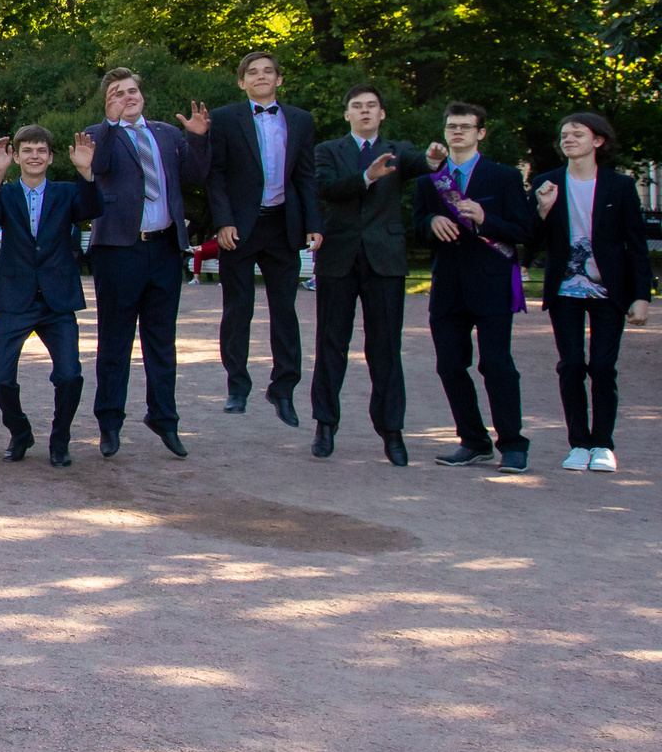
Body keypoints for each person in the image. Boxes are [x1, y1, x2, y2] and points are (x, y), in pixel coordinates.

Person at [84, 68, 212, 458]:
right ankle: (109, 422)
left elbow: (196, 173)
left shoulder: (168, 134)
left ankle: (164, 418)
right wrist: (110, 122)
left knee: (161, 341)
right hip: (119, 250)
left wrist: (198, 137)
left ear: (143, 95)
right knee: (115, 342)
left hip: (165, 251)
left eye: (133, 90)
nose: (128, 96)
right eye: (118, 93)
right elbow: (99, 168)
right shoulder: (96, 133)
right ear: (108, 101)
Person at [309, 85, 425, 467]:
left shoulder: (399, 149)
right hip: (339, 258)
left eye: (371, 106)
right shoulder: (328, 150)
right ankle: (325, 425)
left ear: (382, 113)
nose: (364, 112)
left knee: (386, 349)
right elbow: (325, 189)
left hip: (384, 260)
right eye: (357, 107)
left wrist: (437, 158)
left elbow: (423, 164)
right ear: (347, 115)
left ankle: (392, 432)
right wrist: (366, 178)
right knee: (331, 344)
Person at [414, 102, 533, 471]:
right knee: (449, 365)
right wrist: (431, 221)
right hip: (448, 285)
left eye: (466, 127)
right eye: (452, 127)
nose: (458, 133)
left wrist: (485, 219)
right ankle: (473, 440)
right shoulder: (429, 180)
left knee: (497, 364)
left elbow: (524, 232)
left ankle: (512, 444)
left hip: (492, 283)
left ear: (481, 132)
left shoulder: (504, 177)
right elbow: (415, 228)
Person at [529, 111, 651, 473]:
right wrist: (543, 208)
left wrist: (642, 296)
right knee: (570, 367)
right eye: (564, 134)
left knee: (602, 367)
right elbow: (529, 241)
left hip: (609, 292)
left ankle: (603, 445)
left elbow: (637, 245)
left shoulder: (620, 186)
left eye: (577, 134)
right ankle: (578, 444)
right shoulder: (546, 182)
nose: (568, 139)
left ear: (598, 141)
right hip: (564, 290)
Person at [0, 126, 104, 465]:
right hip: (14, 296)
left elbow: (92, 209)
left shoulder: (67, 193)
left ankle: (60, 440)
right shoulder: (5, 194)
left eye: (41, 150)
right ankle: (20, 433)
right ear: (16, 156)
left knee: (69, 375)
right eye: (27, 150)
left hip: (57, 299)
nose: (34, 155)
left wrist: (86, 172)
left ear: (50, 157)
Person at [206, 50, 324, 423]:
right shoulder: (224, 119)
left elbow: (306, 175)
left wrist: (314, 223)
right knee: (237, 310)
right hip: (239, 227)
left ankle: (283, 388)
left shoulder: (301, 121)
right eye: (252, 72)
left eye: (268, 71)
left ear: (279, 80)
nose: (261, 76)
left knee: (285, 311)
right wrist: (223, 221)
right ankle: (237, 386)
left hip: (282, 225)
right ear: (241, 82)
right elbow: (216, 174)